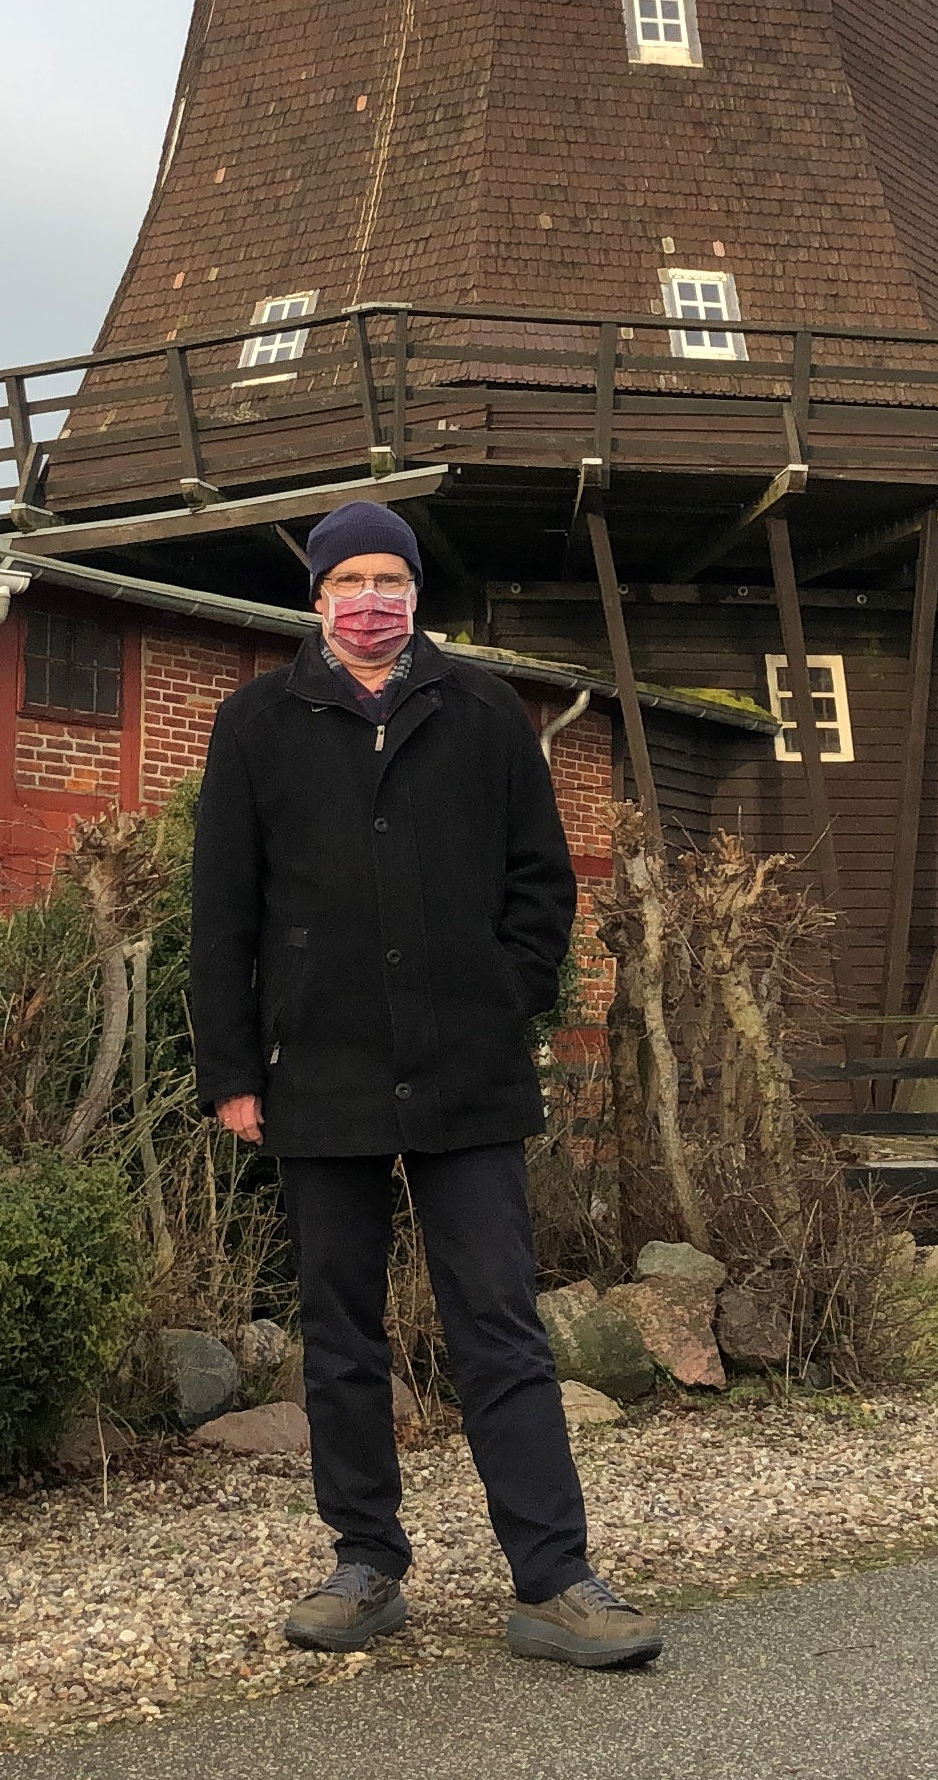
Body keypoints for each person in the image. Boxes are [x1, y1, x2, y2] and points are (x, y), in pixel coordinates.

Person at [190, 501, 660, 1669]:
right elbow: (223, 911)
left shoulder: (484, 714)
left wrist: (505, 998)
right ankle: (364, 1563)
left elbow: (539, 883)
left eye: (388, 579)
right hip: (323, 1067)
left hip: (468, 1067)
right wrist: (234, 1068)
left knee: (499, 1322)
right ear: (316, 599)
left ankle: (554, 1580)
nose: (369, 599)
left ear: (414, 596)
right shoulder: (256, 722)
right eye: (347, 579)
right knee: (340, 1330)